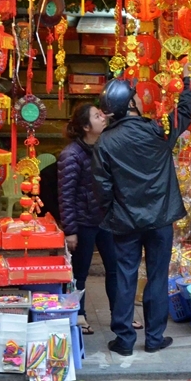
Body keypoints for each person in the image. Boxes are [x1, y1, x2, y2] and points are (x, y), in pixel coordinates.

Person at [93, 76, 191, 355]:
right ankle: (153, 338)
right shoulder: (157, 130)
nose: (140, 99)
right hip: (160, 219)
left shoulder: (105, 142)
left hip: (125, 222)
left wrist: (112, 212)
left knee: (125, 277)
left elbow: (102, 188)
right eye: (136, 96)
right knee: (157, 277)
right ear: (130, 104)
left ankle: (124, 341)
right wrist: (188, 86)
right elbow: (183, 114)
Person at [58, 103, 139, 334]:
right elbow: (66, 195)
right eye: (96, 116)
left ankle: (121, 315)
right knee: (79, 272)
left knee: (115, 268)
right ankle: (79, 314)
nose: (102, 118)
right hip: (83, 222)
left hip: (107, 219)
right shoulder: (71, 155)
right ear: (85, 126)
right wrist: (70, 230)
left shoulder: (105, 147)